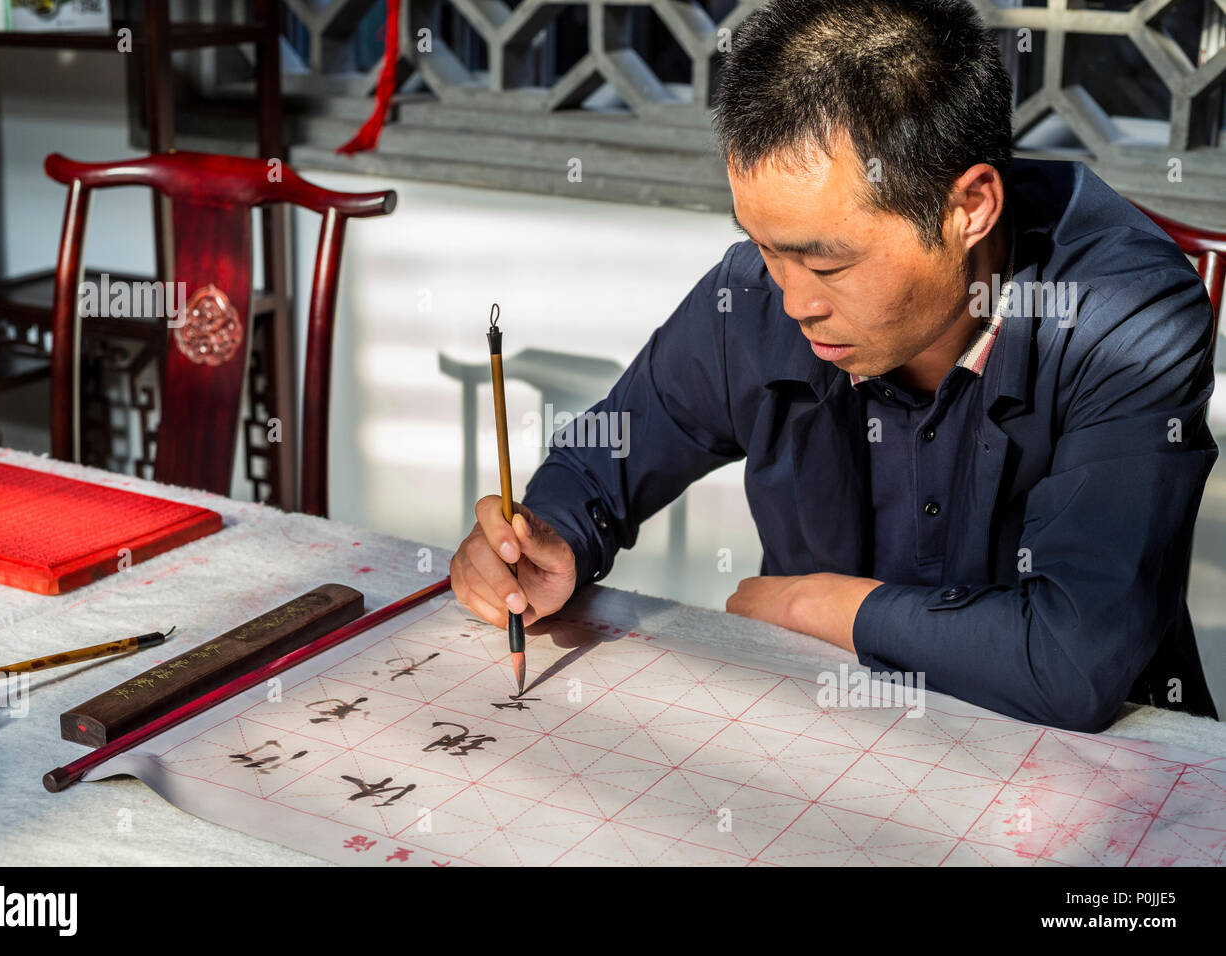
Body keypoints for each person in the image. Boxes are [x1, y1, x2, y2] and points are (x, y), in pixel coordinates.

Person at [448, 0, 1220, 732]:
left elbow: (1069, 660)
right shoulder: (751, 295)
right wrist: (547, 538)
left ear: (970, 208)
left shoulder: (1125, 316)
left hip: (1094, 771)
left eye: (828, 262)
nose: (791, 302)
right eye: (764, 245)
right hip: (826, 738)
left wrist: (817, 606)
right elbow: (598, 467)